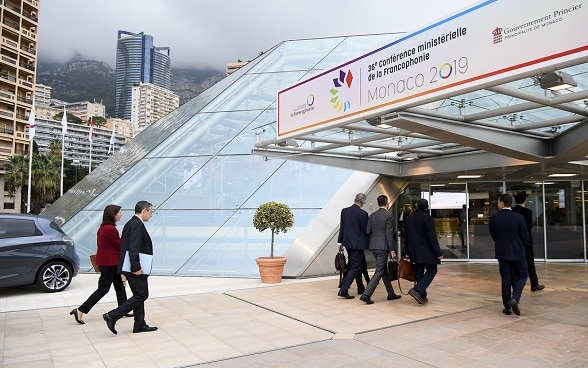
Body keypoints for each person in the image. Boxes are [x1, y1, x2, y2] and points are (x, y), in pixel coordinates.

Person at [103, 201, 157, 334]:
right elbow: (134, 248)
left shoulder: (131, 223)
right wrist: (135, 267)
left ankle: (139, 324)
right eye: (151, 212)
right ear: (144, 211)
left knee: (139, 294)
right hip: (135, 268)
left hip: (131, 266)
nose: (151, 215)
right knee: (142, 295)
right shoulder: (136, 225)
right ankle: (113, 315)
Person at [70, 205, 131, 324]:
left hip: (109, 263)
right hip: (109, 264)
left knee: (119, 286)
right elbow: (119, 245)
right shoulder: (110, 229)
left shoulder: (104, 228)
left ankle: (123, 309)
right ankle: (80, 310)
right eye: (119, 212)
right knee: (103, 289)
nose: (121, 214)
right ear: (113, 214)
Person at [489, 193, 529, 316]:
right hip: (518, 252)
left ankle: (507, 308)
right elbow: (525, 236)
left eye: (498, 202)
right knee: (523, 275)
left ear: (502, 202)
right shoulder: (518, 218)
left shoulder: (494, 218)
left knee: (506, 279)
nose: (497, 204)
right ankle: (515, 298)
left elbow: (493, 235)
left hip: (502, 253)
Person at [360, 195, 401, 304]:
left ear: (378, 203)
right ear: (387, 203)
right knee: (379, 270)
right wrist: (392, 250)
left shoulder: (372, 215)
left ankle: (391, 293)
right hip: (383, 247)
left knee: (383, 270)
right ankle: (366, 294)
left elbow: (368, 231)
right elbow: (388, 234)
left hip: (373, 246)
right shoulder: (389, 215)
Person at [404, 198, 443, 304]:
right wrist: (438, 252)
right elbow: (432, 236)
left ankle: (421, 295)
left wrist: (407, 251)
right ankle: (417, 290)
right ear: (427, 207)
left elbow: (407, 237)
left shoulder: (409, 218)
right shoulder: (428, 218)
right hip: (427, 251)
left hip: (414, 251)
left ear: (417, 206)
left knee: (419, 271)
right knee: (432, 270)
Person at [337, 193, 369, 299]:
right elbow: (366, 230)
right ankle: (343, 289)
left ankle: (360, 287)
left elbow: (342, 227)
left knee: (356, 264)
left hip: (347, 243)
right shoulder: (363, 213)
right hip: (357, 244)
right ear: (362, 202)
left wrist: (339, 242)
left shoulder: (344, 211)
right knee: (355, 266)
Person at [512, 192, 545, 292]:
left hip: (515, 239)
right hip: (526, 240)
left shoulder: (512, 211)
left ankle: (516, 284)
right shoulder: (528, 212)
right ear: (524, 201)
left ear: (515, 200)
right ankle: (534, 284)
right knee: (530, 261)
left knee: (514, 262)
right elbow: (529, 226)